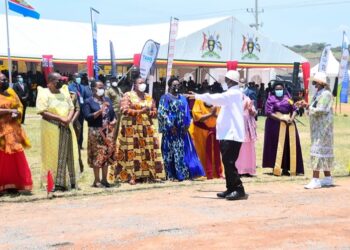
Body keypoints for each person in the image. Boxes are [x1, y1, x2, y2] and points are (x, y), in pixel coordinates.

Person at [186, 70, 246, 201]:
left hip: (232, 134)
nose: (225, 81)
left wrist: (198, 96)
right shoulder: (234, 94)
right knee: (227, 161)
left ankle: (238, 189)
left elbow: (215, 98)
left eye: (226, 79)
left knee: (229, 162)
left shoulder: (233, 93)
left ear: (230, 80)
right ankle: (230, 188)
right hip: (228, 133)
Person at [114, 77, 165, 184]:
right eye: (140, 83)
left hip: (146, 129)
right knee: (131, 151)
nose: (143, 84)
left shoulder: (148, 97)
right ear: (135, 84)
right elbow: (124, 110)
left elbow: (155, 112)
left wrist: (150, 113)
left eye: (143, 83)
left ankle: (147, 174)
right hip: (131, 128)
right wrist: (140, 111)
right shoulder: (128, 95)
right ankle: (131, 176)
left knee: (147, 150)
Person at [36, 72, 78, 191]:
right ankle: (53, 182)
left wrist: (68, 118)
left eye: (61, 80)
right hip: (51, 127)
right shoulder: (44, 93)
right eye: (57, 80)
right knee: (53, 153)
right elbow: (42, 111)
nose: (61, 82)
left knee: (67, 153)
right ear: (49, 82)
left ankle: (67, 182)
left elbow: (71, 107)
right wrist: (60, 118)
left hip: (66, 126)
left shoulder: (64, 92)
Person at [158, 77, 205, 181]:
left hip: (182, 131)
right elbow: (162, 113)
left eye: (178, 85)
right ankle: (172, 175)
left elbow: (187, 112)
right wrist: (170, 126)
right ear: (169, 86)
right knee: (171, 153)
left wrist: (187, 125)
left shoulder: (182, 98)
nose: (176, 87)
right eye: (174, 85)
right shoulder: (165, 98)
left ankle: (183, 173)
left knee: (182, 153)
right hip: (171, 132)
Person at [262, 81, 304, 176]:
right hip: (274, 125)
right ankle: (275, 167)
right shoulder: (271, 99)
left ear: (284, 89)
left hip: (288, 125)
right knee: (276, 145)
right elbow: (268, 112)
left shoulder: (288, 98)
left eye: (280, 89)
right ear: (274, 90)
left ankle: (287, 168)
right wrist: (281, 119)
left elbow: (294, 109)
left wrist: (291, 118)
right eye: (277, 89)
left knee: (288, 145)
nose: (279, 91)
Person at [0, 73, 32, 193]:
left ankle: (13, 183)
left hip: (12, 130)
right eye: (2, 80)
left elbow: (19, 106)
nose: (5, 81)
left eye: (5, 79)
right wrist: (9, 110)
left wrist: (17, 113)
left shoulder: (11, 92)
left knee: (14, 157)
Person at [83, 80, 116, 188]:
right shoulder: (88, 101)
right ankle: (96, 181)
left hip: (107, 132)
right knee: (97, 156)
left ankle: (104, 180)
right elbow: (88, 117)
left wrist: (114, 120)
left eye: (103, 87)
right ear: (93, 89)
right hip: (95, 132)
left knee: (106, 155)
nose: (102, 89)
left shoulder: (107, 100)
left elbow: (112, 114)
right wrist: (100, 110)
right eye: (99, 87)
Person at [304, 72, 334, 189]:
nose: (314, 84)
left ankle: (315, 179)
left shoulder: (326, 94)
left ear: (321, 82)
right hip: (317, 128)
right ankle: (327, 178)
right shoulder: (318, 93)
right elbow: (313, 107)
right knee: (322, 152)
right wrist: (306, 106)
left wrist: (308, 106)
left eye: (315, 82)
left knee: (317, 151)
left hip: (324, 129)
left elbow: (321, 109)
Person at [188, 87, 223, 179]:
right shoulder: (198, 102)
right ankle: (202, 172)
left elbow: (220, 116)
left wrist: (214, 114)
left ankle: (214, 172)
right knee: (200, 152)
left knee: (213, 152)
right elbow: (197, 117)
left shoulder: (216, 104)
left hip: (212, 133)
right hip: (198, 132)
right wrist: (210, 115)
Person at [236, 94, 257, 176]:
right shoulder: (232, 99)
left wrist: (251, 111)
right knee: (238, 149)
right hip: (237, 127)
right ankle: (238, 170)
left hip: (248, 128)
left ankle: (248, 170)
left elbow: (254, 113)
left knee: (248, 148)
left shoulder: (247, 99)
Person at [68, 73, 89, 149]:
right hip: (73, 111)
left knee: (81, 127)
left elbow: (86, 98)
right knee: (73, 126)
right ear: (73, 77)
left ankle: (79, 144)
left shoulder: (82, 87)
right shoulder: (69, 87)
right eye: (77, 77)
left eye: (79, 77)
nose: (78, 78)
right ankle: (72, 144)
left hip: (81, 111)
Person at [69, 90, 84, 173]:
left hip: (74, 125)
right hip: (59, 123)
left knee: (76, 146)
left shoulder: (73, 95)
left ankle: (79, 166)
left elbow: (78, 109)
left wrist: (71, 121)